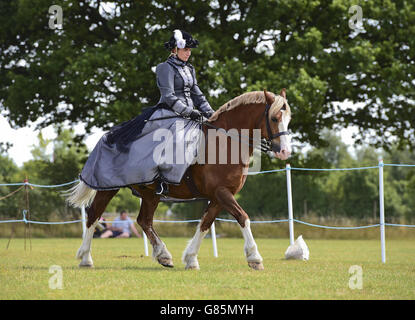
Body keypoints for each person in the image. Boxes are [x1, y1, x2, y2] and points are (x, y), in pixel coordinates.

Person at [79, 29, 214, 197]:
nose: (188, 53)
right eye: (185, 49)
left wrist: (213, 114)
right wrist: (190, 112)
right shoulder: (165, 68)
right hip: (169, 113)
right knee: (176, 140)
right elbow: (169, 96)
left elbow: (198, 95)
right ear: (174, 49)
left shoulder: (189, 69)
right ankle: (162, 180)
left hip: (189, 115)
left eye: (189, 50)